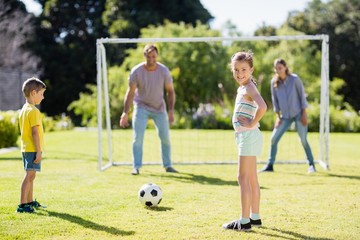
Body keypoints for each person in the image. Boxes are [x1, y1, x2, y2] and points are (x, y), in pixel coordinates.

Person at [222, 51, 267, 231]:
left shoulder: (249, 87)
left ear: (251, 70)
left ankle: (244, 221)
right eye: (236, 70)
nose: (239, 73)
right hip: (248, 136)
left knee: (242, 177)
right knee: (252, 178)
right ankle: (255, 217)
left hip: (248, 136)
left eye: (243, 69)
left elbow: (263, 106)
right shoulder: (244, 88)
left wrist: (252, 122)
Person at [119, 44, 178, 175]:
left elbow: (170, 92)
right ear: (144, 55)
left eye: (154, 57)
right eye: (148, 56)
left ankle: (168, 165)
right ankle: (136, 166)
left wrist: (171, 111)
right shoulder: (137, 71)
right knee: (138, 138)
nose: (151, 59)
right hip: (141, 107)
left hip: (159, 108)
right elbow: (130, 93)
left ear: (157, 56)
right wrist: (125, 112)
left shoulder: (164, 71)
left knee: (165, 137)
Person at [259, 58, 316, 173]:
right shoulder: (274, 83)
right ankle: (270, 165)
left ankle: (311, 165)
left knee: (303, 140)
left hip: (299, 114)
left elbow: (302, 98)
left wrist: (304, 114)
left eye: (280, 68)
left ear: (285, 67)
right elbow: (275, 101)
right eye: (276, 68)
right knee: (273, 139)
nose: (278, 70)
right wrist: (277, 117)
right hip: (284, 117)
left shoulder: (295, 79)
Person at [17, 77, 46, 213]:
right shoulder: (34, 111)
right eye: (42, 94)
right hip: (32, 149)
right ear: (34, 93)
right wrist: (38, 151)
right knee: (29, 176)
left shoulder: (24, 109)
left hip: (26, 148)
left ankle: (29, 202)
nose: (43, 97)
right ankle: (22, 205)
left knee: (31, 176)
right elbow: (35, 133)